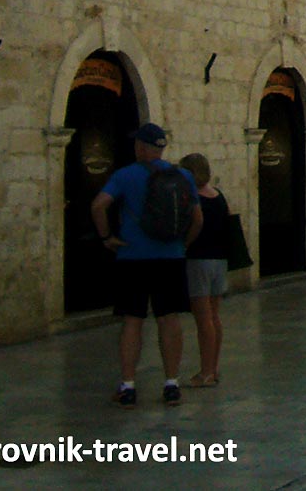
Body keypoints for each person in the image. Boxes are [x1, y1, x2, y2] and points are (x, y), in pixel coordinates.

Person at [90, 123, 204, 408]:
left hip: (133, 258)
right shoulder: (184, 176)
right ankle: (171, 384)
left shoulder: (125, 175)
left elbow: (98, 205)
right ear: (162, 148)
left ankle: (128, 386)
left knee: (132, 320)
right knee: (169, 318)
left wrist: (107, 237)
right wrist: (183, 244)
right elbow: (198, 219)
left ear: (141, 147)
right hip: (171, 258)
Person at [179, 153, 230, 389]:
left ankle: (206, 372)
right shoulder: (219, 196)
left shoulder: (193, 199)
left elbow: (196, 224)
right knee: (214, 316)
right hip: (220, 260)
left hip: (199, 260)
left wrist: (185, 244)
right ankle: (214, 368)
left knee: (203, 318)